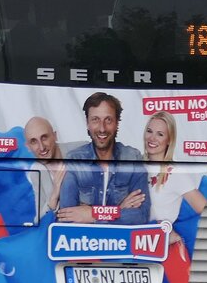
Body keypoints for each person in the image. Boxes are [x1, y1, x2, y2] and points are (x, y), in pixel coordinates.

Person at [56, 92, 150, 224]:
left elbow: (141, 216)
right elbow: (67, 217)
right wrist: (119, 210)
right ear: (87, 123)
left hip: (122, 242)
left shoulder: (132, 157)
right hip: (84, 241)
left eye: (108, 120)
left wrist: (93, 215)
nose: (102, 128)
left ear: (117, 123)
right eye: (95, 119)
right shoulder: (74, 159)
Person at [143, 110, 207, 226]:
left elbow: (206, 210)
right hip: (130, 239)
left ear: (169, 140)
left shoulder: (176, 173)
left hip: (161, 241)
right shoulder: (135, 167)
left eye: (160, 134)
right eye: (149, 131)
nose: (152, 138)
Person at [24, 115, 66, 218]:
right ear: (28, 147)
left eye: (44, 138)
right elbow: (38, 218)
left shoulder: (80, 150)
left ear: (55, 136)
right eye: (34, 141)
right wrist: (55, 193)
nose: (41, 147)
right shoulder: (36, 171)